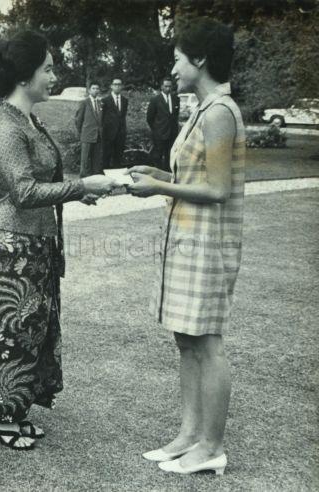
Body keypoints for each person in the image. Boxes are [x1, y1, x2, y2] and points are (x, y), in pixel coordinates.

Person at [0, 31, 117, 450]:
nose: (54, 77)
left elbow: (40, 182)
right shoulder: (4, 126)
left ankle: (16, 409)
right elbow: (23, 192)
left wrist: (78, 191)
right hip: (9, 245)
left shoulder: (27, 120)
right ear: (24, 76)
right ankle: (0, 415)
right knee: (9, 330)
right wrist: (81, 185)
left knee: (32, 328)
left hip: (33, 241)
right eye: (48, 69)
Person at [126, 17, 244, 476]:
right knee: (186, 339)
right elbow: (194, 177)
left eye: (178, 58)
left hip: (209, 242)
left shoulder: (219, 112)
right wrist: (159, 175)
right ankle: (189, 435)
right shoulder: (201, 109)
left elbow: (217, 189)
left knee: (207, 341)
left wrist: (159, 188)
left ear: (200, 59)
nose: (173, 68)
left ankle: (212, 446)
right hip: (187, 239)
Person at [146, 77, 180, 172]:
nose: (168, 88)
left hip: (172, 134)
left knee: (170, 156)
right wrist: (156, 130)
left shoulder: (176, 99)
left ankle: (168, 175)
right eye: (166, 86)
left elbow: (175, 116)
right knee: (158, 156)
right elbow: (149, 118)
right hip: (159, 134)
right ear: (162, 87)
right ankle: (158, 174)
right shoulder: (155, 100)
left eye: (170, 86)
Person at [75, 82, 103, 176]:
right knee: (85, 159)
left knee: (96, 159)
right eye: (93, 88)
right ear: (89, 90)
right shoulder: (84, 102)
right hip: (87, 135)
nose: (95, 90)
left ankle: (95, 177)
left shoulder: (100, 103)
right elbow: (78, 119)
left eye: (97, 88)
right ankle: (84, 178)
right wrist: (82, 132)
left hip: (98, 135)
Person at [101, 78, 128, 169]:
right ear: (111, 86)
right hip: (108, 134)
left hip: (120, 134)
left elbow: (123, 116)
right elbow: (102, 118)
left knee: (118, 157)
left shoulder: (125, 100)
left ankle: (117, 175)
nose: (117, 86)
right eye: (115, 84)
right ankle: (105, 174)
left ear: (122, 86)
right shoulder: (105, 100)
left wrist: (123, 131)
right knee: (106, 156)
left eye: (119, 84)